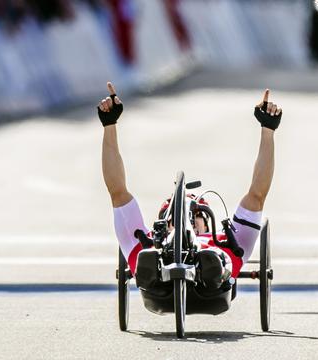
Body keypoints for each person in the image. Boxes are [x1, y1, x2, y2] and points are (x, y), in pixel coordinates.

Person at [99, 81, 281, 293]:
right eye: (176, 218)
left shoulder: (229, 240)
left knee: (215, 258)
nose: (187, 221)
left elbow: (257, 195)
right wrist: (109, 125)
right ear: (164, 224)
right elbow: (117, 191)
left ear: (207, 223)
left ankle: (212, 267)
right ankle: (153, 271)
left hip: (213, 273)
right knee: (144, 254)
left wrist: (268, 130)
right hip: (158, 272)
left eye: (194, 216)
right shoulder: (145, 241)